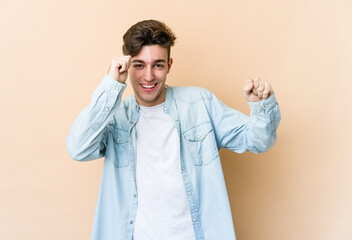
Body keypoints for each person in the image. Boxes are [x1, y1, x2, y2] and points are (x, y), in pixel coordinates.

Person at [66, 19, 281, 240]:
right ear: (128, 66)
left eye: (157, 65)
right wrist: (111, 85)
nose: (148, 76)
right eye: (139, 65)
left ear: (169, 65)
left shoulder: (200, 103)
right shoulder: (116, 116)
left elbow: (258, 140)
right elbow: (78, 148)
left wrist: (260, 106)